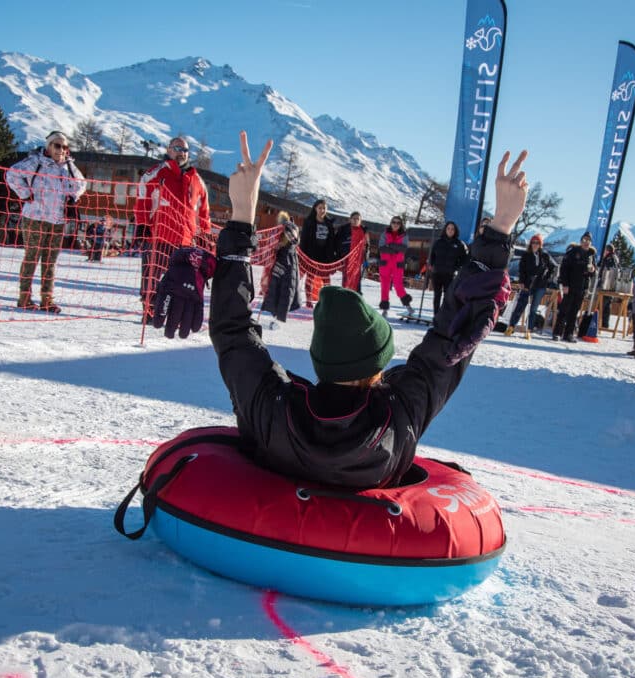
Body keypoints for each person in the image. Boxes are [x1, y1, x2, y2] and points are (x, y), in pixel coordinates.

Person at [202, 132, 526, 489]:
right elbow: (449, 342)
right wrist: (500, 229)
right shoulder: (398, 415)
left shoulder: (271, 405)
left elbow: (232, 331)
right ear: (378, 364)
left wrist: (242, 216)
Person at [6, 130, 86, 313]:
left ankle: (47, 299)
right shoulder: (35, 162)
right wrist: (25, 194)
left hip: (57, 220)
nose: (61, 150)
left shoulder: (69, 167)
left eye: (64, 146)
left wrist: (72, 198)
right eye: (57, 145)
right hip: (34, 217)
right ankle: (24, 297)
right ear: (49, 146)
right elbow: (12, 175)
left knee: (50, 261)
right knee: (32, 257)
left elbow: (81, 184)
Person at [134, 136, 211, 306]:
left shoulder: (197, 180)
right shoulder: (156, 173)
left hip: (184, 242)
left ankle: (171, 312)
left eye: (185, 150)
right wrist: (142, 224)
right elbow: (142, 198)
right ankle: (149, 309)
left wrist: (204, 234)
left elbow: (204, 211)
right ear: (169, 150)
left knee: (180, 282)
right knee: (151, 278)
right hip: (159, 237)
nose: (181, 153)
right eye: (177, 149)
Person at [505, 233, 555, 337]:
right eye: (533, 242)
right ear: (531, 243)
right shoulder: (526, 255)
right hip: (527, 284)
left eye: (537, 242)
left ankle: (529, 329)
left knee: (534, 308)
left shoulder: (545, 255)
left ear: (540, 244)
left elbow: (553, 267)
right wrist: (522, 282)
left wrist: (547, 279)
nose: (535, 244)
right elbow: (521, 270)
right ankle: (511, 326)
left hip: (540, 285)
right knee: (521, 305)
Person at [259, 211, 301, 329]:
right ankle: (275, 315)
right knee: (276, 289)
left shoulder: (289, 228)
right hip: (279, 261)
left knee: (285, 290)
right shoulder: (280, 230)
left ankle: (279, 318)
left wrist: (281, 243)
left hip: (286, 262)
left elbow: (293, 240)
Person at [552, 232, 596, 343]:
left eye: (588, 240)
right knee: (564, 310)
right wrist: (565, 284)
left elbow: (591, 274)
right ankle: (557, 333)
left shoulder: (591, 255)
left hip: (581, 287)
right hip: (570, 285)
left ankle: (569, 334)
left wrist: (592, 271)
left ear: (591, 242)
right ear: (581, 241)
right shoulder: (573, 252)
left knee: (574, 312)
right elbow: (564, 269)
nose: (586, 242)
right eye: (584, 240)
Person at [299, 199, 337, 306]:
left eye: (324, 208)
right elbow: (304, 239)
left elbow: (332, 241)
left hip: (325, 255)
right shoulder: (309, 222)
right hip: (311, 254)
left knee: (326, 279)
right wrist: (303, 256)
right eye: (320, 208)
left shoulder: (329, 223)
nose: (322, 210)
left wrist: (332, 257)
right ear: (315, 208)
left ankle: (328, 300)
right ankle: (309, 300)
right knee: (310, 277)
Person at [428, 221, 468, 315]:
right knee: (437, 295)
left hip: (450, 275)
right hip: (437, 273)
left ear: (455, 231)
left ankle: (444, 317)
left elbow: (465, 259)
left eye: (452, 229)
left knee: (448, 297)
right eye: (448, 228)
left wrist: (457, 268)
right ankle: (436, 315)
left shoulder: (459, 244)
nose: (450, 231)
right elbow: (432, 256)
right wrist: (432, 265)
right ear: (445, 229)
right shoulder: (438, 242)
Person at [378, 216, 414, 317]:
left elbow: (403, 249)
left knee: (398, 285)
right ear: (391, 223)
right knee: (384, 286)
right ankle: (385, 309)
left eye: (398, 223)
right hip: (385, 264)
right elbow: (381, 248)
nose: (396, 224)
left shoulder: (404, 235)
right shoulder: (385, 233)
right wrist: (395, 248)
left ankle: (407, 305)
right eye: (394, 222)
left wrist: (390, 245)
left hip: (397, 265)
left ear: (401, 224)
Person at [335, 211, 367, 292]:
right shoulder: (343, 229)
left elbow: (366, 246)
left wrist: (365, 258)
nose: (356, 220)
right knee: (346, 278)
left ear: (360, 221)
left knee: (357, 279)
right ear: (350, 219)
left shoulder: (363, 231)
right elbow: (337, 243)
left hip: (358, 261)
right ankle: (345, 295)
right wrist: (339, 256)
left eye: (358, 219)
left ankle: (356, 296)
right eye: (354, 218)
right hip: (347, 258)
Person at [598, 243, 619, 329]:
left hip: (607, 285)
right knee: (607, 305)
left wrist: (602, 281)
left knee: (602, 304)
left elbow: (608, 271)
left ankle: (598, 322)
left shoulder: (610, 259)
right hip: (611, 286)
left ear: (607, 251)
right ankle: (604, 324)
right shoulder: (614, 258)